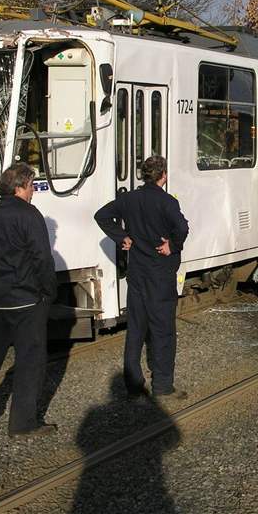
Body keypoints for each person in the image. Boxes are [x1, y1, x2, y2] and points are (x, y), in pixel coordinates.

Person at [0, 163, 58, 437]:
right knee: (30, 361)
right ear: (20, 186)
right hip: (25, 299)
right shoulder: (29, 215)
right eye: (32, 185)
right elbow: (42, 258)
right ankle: (22, 423)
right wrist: (48, 292)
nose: (33, 191)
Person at [94, 155, 189, 400]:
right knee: (163, 330)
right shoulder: (167, 202)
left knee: (136, 329)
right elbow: (182, 228)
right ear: (164, 176)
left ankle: (134, 384)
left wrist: (121, 237)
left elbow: (101, 215)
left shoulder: (129, 199)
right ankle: (163, 385)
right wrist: (173, 245)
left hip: (136, 274)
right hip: (161, 275)